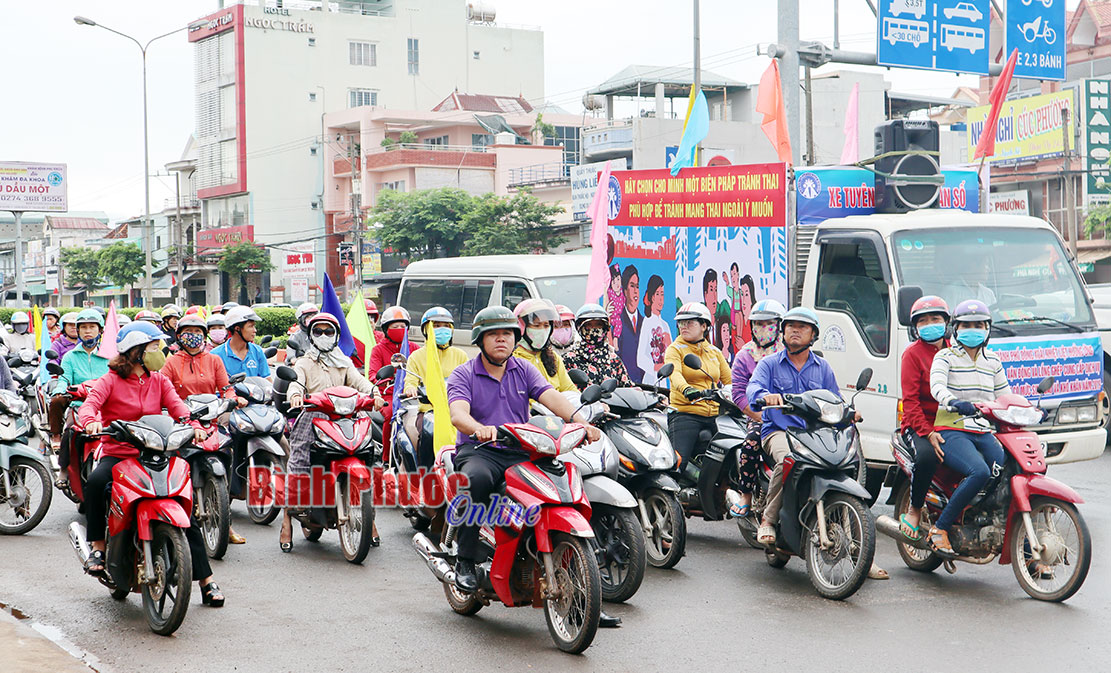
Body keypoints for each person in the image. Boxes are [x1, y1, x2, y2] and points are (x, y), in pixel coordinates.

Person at [446, 305, 602, 593]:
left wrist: (581, 422)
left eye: (507, 333)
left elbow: (551, 397)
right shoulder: (463, 374)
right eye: (493, 334)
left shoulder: (524, 369)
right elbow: (458, 414)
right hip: (481, 451)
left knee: (566, 484)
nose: (501, 339)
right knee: (476, 481)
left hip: (521, 450)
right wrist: (478, 428)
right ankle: (465, 559)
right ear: (480, 339)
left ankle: (588, 584)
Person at [77, 322, 225, 607]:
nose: (161, 352)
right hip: (119, 454)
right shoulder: (109, 380)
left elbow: (180, 409)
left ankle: (206, 580)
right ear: (135, 351)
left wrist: (194, 425)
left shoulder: (158, 380)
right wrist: (90, 420)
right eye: (154, 347)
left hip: (156, 453)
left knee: (184, 508)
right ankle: (97, 547)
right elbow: (89, 405)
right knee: (96, 483)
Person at [281, 312, 385, 552]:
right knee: (298, 462)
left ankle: (370, 517)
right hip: (313, 415)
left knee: (372, 457)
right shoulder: (304, 362)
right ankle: (287, 520)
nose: (324, 336)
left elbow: (361, 383)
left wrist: (375, 395)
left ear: (337, 335)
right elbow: (296, 382)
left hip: (347, 416)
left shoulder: (344, 361)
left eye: (329, 331)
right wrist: (296, 395)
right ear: (311, 335)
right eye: (319, 331)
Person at [746, 308, 847, 545]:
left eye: (802, 327)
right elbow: (753, 389)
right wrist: (765, 396)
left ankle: (854, 540)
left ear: (813, 335)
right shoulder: (769, 364)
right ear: (783, 331)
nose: (795, 330)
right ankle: (768, 520)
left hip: (815, 434)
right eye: (790, 326)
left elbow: (835, 398)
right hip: (779, 431)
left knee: (841, 463)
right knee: (788, 460)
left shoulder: (823, 367)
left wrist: (848, 411)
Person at [927, 299, 1010, 556]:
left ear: (987, 329)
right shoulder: (945, 356)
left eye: (978, 325)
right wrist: (952, 401)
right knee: (979, 471)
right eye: (966, 325)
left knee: (1006, 468)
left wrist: (1026, 409)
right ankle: (940, 528)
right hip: (952, 428)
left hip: (983, 430)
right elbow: (936, 386)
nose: (972, 329)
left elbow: (1005, 395)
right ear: (956, 328)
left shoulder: (993, 361)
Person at [162, 314, 247, 545]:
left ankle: (225, 523)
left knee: (227, 455)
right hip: (182, 423)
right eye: (189, 332)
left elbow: (226, 388)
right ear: (179, 336)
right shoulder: (171, 362)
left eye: (198, 332)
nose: (194, 336)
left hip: (211, 422)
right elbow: (163, 389)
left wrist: (233, 398)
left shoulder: (213, 361)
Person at [897, 296, 951, 542]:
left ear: (946, 322)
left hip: (953, 422)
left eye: (935, 319)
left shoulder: (957, 351)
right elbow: (910, 403)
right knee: (928, 456)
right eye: (924, 320)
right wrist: (928, 432)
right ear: (915, 327)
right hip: (920, 425)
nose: (930, 324)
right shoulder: (912, 355)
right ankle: (915, 508)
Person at [728, 299, 786, 516]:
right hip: (760, 417)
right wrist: (759, 416)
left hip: (792, 417)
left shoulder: (789, 353)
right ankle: (745, 495)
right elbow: (739, 395)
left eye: (769, 323)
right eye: (758, 324)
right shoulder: (745, 356)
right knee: (751, 443)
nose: (763, 329)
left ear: (779, 326)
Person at [664, 302, 731, 482]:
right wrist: (687, 389)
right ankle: (672, 496)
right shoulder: (675, 349)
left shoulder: (714, 352)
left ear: (704, 326)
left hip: (716, 414)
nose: (683, 327)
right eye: (681, 323)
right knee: (678, 464)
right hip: (686, 413)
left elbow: (730, 380)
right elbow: (674, 373)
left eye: (689, 322)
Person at [403, 307, 468, 466]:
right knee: (428, 434)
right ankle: (426, 472)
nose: (442, 329)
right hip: (429, 410)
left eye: (446, 326)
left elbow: (470, 380)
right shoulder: (417, 356)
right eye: (436, 325)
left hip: (456, 408)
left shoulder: (460, 355)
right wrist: (411, 388)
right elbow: (410, 379)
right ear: (427, 329)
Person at [50, 309, 109, 471]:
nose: (88, 331)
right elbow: (64, 378)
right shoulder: (70, 356)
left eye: (92, 327)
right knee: (69, 433)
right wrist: (61, 390)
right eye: (83, 327)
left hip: (104, 404)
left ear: (100, 330)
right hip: (78, 402)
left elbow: (115, 378)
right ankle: (63, 469)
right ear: (78, 331)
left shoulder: (109, 356)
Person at [367, 306, 420, 449]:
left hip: (413, 395)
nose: (399, 329)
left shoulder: (414, 348)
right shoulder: (378, 349)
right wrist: (389, 379)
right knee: (392, 414)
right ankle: (387, 456)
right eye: (395, 326)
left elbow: (424, 369)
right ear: (385, 329)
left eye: (403, 326)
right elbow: (373, 374)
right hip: (389, 395)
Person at [512, 299, 576, 392]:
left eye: (546, 325)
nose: (542, 330)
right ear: (521, 328)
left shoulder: (554, 357)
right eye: (537, 325)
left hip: (558, 405)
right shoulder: (513, 360)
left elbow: (569, 388)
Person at [562, 303, 633, 388]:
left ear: (605, 327)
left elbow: (627, 387)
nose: (594, 329)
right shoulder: (569, 359)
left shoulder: (613, 360)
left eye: (598, 325)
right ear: (579, 327)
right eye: (589, 325)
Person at [212, 307, 271, 380]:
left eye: (254, 326)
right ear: (237, 329)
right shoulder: (216, 355)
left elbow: (267, 380)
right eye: (250, 326)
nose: (255, 330)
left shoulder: (257, 351)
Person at [636, 274, 672, 383]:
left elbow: (672, 354)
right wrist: (657, 368)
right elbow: (640, 358)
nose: (661, 298)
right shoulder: (646, 322)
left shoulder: (665, 325)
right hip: (651, 380)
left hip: (664, 380)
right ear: (652, 297)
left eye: (662, 294)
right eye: (657, 294)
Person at [617, 265, 643, 381]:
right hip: (624, 385)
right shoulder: (617, 322)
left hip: (647, 386)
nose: (635, 291)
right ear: (625, 291)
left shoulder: (645, 322)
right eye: (632, 286)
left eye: (637, 286)